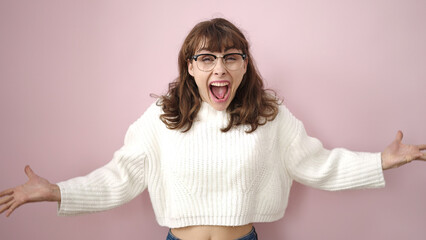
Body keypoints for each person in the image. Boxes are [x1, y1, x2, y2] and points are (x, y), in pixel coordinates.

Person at [0, 18, 425, 240]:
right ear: (190, 67)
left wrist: (380, 162)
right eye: (206, 58)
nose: (219, 68)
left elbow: (316, 163)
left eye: (231, 57)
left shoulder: (269, 114)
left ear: (244, 65)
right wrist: (57, 191)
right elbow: (121, 177)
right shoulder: (163, 117)